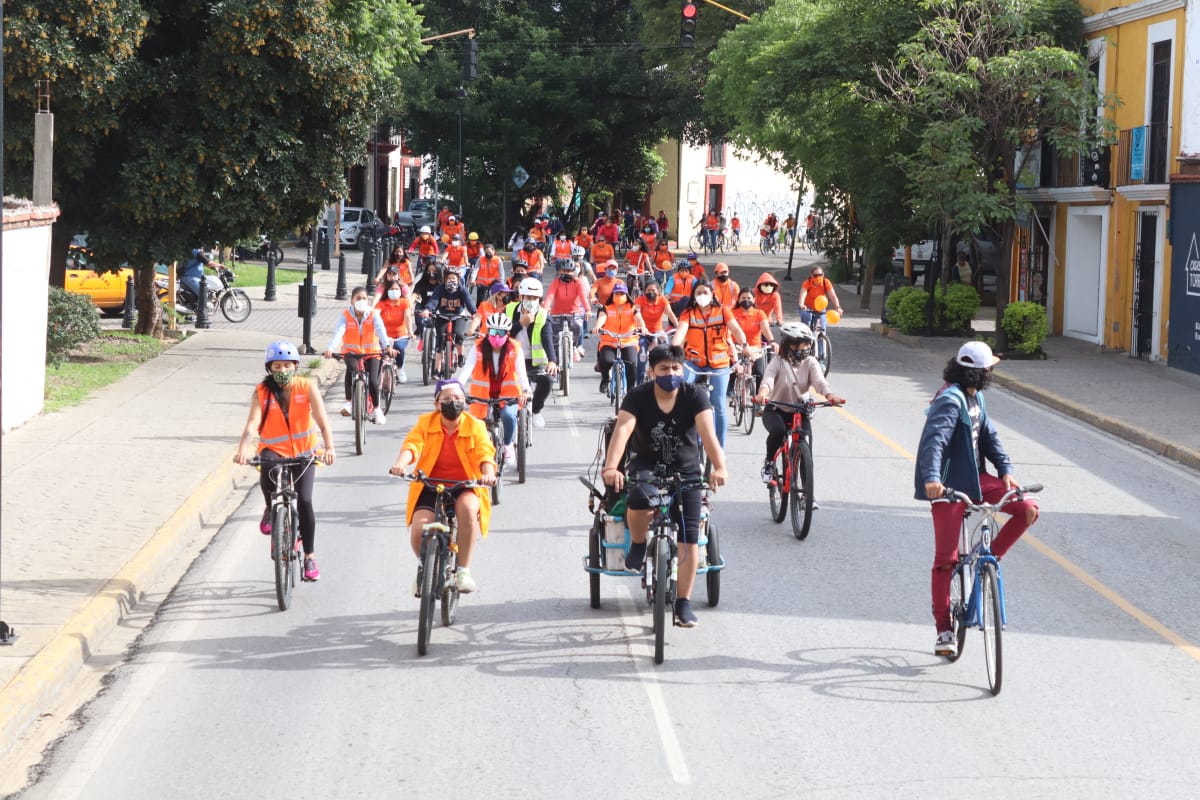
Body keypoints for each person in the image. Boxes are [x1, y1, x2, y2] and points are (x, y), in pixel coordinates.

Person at [916, 342, 1039, 656]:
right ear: (978, 372)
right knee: (945, 561)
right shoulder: (949, 400)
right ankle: (944, 630)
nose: (991, 374)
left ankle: (988, 562)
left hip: (977, 479)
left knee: (1027, 509)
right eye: (989, 370)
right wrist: (932, 479)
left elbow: (989, 436)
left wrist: (1005, 469)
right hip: (948, 486)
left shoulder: (976, 397)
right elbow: (935, 440)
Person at [601, 344, 728, 627]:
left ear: (682, 370)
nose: (670, 373)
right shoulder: (637, 396)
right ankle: (637, 544)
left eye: (675, 368)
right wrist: (611, 467)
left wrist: (720, 467)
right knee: (639, 499)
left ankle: (683, 604)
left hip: (686, 470)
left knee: (689, 537)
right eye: (663, 369)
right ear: (651, 371)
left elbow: (708, 434)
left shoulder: (695, 396)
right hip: (646, 465)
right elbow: (623, 430)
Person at [234, 341, 336, 582]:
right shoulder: (262, 391)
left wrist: (329, 448)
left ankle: (309, 556)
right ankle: (270, 509)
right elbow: (251, 425)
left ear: (296, 366)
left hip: (305, 452)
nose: (282, 370)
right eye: (277, 366)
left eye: (287, 365)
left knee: (305, 500)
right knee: (267, 468)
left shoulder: (306, 387)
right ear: (269, 368)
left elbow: (322, 421)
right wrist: (242, 451)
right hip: (274, 449)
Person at [389, 379, 497, 595]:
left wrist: (488, 472)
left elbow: (484, 451)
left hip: (464, 484)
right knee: (419, 528)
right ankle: (424, 567)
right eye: (447, 399)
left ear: (464, 401)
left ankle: (463, 571)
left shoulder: (475, 425)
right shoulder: (425, 423)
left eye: (457, 398)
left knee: (468, 509)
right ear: (437, 404)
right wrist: (400, 464)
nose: (453, 402)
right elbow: (413, 444)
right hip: (430, 484)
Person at [753, 322, 842, 481]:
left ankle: (807, 490)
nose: (807, 347)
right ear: (791, 345)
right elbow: (768, 381)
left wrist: (830, 395)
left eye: (808, 344)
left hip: (800, 411)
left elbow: (820, 382)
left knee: (806, 444)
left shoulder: (811, 362)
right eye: (804, 344)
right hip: (776, 410)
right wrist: (762, 394)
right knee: (779, 431)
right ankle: (769, 463)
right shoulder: (778, 362)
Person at [672, 280, 747, 447]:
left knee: (718, 404)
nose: (702, 296)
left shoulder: (723, 311)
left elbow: (736, 330)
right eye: (698, 293)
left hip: (719, 364)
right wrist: (673, 351)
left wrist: (745, 345)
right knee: (681, 390)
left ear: (712, 294)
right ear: (693, 296)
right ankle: (686, 439)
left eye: (705, 292)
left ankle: (719, 449)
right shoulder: (688, 313)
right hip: (694, 362)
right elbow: (680, 333)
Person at [458, 312, 531, 464]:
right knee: (478, 427)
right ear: (488, 331)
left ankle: (508, 445)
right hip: (482, 397)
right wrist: (456, 388)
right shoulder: (478, 347)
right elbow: (466, 370)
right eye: (493, 331)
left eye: (501, 332)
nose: (497, 336)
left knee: (509, 416)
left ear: (507, 333)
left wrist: (526, 390)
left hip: (508, 395)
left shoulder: (514, 348)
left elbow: (522, 373)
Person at [324, 287, 394, 425]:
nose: (361, 301)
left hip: (372, 352)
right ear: (352, 300)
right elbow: (339, 332)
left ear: (368, 300)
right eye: (358, 298)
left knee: (373, 381)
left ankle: (377, 410)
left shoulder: (373, 314)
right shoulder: (346, 315)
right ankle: (349, 402)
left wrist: (387, 346)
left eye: (364, 298)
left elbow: (380, 329)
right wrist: (330, 348)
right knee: (351, 370)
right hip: (352, 352)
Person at [506, 278, 559, 429]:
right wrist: (520, 323)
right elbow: (502, 336)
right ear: (521, 296)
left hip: (534, 361)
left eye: (535, 298)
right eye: (528, 297)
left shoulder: (543, 315)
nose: (531, 301)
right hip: (512, 360)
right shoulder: (509, 310)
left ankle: (536, 411)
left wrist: (552, 361)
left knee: (548, 379)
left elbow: (547, 339)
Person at [421, 268, 476, 372]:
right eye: (449, 278)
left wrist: (474, 313)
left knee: (459, 334)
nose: (451, 280)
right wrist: (428, 309)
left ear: (458, 279)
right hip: (442, 316)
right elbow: (433, 301)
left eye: (454, 278)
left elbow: (469, 302)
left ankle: (460, 354)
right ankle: (437, 368)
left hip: (458, 316)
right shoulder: (440, 289)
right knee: (440, 340)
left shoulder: (462, 290)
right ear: (445, 279)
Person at [593, 281, 644, 395]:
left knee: (631, 363)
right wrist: (597, 326)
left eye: (622, 293)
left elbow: (639, 318)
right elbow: (602, 318)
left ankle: (631, 390)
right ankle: (605, 378)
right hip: (609, 341)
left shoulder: (633, 308)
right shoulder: (606, 308)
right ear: (613, 295)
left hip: (628, 340)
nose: (619, 296)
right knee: (605, 360)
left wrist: (643, 327)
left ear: (626, 295)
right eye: (617, 293)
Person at [543, 257, 591, 359]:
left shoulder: (578, 283)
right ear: (560, 271)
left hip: (574, 312)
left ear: (573, 271)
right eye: (564, 271)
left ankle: (574, 347)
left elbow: (583, 297)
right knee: (554, 335)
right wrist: (545, 310)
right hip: (557, 313)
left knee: (577, 328)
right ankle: (555, 359)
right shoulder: (556, 282)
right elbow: (550, 297)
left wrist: (588, 310)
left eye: (569, 271)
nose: (567, 273)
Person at [732, 287, 775, 394]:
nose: (746, 300)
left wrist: (772, 341)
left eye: (749, 298)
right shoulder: (732, 313)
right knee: (731, 372)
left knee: (760, 373)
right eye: (743, 298)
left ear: (754, 300)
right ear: (738, 300)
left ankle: (759, 396)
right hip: (737, 348)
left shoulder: (759, 313)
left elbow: (765, 329)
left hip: (756, 349)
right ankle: (730, 392)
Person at [635, 280, 677, 384]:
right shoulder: (640, 299)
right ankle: (639, 384)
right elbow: (637, 313)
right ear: (644, 291)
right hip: (643, 332)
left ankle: (664, 378)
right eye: (648, 290)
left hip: (658, 332)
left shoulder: (663, 300)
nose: (651, 292)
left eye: (653, 290)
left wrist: (678, 325)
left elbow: (669, 313)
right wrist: (642, 327)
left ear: (658, 291)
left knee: (665, 352)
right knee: (642, 355)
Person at [376, 276, 415, 384]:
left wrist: (410, 332)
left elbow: (407, 317)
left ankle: (400, 367)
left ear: (400, 291)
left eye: (397, 289)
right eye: (392, 289)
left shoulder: (404, 302)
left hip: (400, 335)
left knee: (399, 348)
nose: (394, 291)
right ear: (387, 291)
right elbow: (375, 316)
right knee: (379, 353)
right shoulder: (382, 303)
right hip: (384, 336)